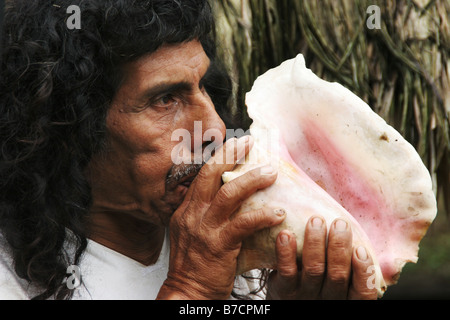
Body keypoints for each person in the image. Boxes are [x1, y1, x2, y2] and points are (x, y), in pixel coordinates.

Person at [0, 0, 378, 300]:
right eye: (165, 100)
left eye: (204, 87)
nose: (213, 128)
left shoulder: (246, 251)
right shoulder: (11, 283)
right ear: (69, 128)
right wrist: (192, 290)